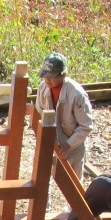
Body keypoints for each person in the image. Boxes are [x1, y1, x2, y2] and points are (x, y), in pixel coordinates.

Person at [35, 52, 93, 182]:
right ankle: (44, 204)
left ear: (62, 75)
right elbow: (39, 113)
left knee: (74, 183)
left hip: (73, 144)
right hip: (50, 141)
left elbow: (86, 126)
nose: (47, 80)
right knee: (42, 180)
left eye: (51, 77)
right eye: (45, 76)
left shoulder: (77, 94)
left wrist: (68, 145)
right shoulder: (42, 88)